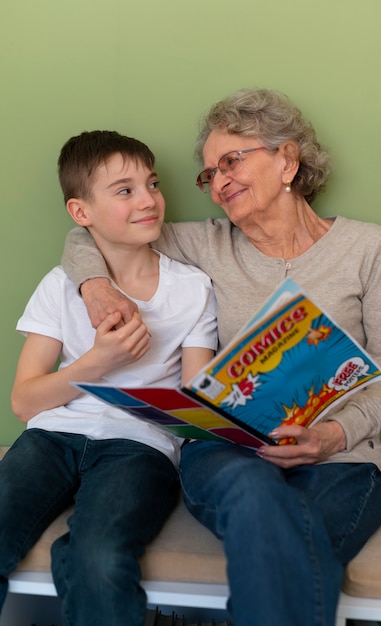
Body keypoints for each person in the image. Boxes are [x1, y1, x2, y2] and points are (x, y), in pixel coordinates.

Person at [61, 90, 381, 626]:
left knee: (293, 540)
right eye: (209, 174)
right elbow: (88, 232)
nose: (218, 182)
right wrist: (94, 285)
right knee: (257, 501)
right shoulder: (205, 244)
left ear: (288, 161)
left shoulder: (368, 247)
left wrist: (334, 436)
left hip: (341, 462)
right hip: (229, 453)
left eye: (232, 161)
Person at [0, 130, 217, 626]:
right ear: (82, 213)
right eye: (125, 190)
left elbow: (195, 405)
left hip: (140, 446)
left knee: (96, 557)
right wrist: (96, 366)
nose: (149, 200)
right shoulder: (60, 286)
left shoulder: (192, 289)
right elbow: (24, 402)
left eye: (153, 184)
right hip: (52, 437)